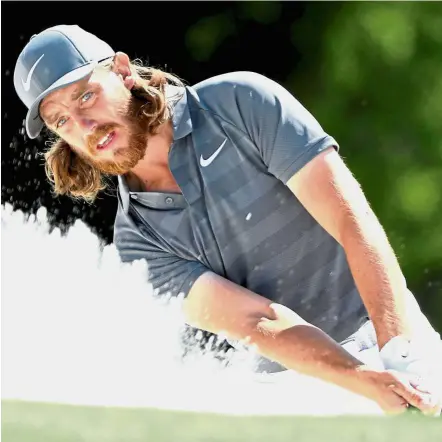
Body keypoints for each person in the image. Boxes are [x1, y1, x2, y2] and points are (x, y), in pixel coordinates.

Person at [13, 24, 442, 415]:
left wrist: (401, 356)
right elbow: (257, 322)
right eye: (61, 121)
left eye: (86, 95)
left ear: (124, 72)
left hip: (392, 331)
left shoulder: (241, 102)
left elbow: (352, 221)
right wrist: (363, 380)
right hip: (298, 389)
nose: (84, 124)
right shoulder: (136, 246)